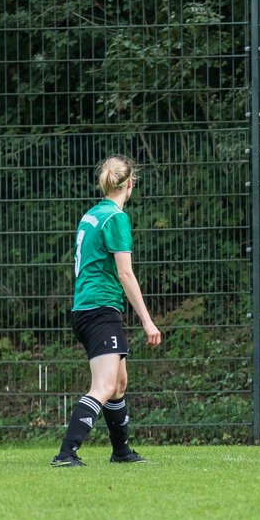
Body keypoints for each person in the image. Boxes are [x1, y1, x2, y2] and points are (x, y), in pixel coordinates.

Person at [52, 156, 162, 467]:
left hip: (89, 308)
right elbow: (125, 273)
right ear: (130, 184)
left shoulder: (91, 215)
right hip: (99, 309)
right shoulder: (116, 218)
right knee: (104, 386)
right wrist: (147, 320)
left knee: (119, 383)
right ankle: (66, 453)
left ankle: (122, 453)